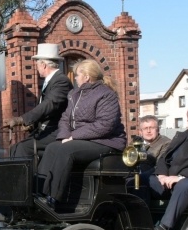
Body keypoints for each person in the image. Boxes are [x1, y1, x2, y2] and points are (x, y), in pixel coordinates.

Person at [37, 59, 127, 206]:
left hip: (106, 141)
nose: (76, 78)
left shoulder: (106, 94)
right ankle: (39, 191)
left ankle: (54, 198)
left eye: (77, 75)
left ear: (86, 77)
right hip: (81, 139)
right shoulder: (74, 94)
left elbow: (105, 125)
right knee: (53, 147)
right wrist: (65, 136)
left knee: (66, 150)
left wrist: (74, 136)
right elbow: (65, 118)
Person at [6, 43, 71, 158]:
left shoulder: (61, 81)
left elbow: (49, 105)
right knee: (15, 148)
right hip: (45, 129)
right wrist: (32, 124)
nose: (36, 67)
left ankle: (30, 176)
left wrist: (22, 119)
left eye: (37, 64)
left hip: (58, 130)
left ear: (44, 65)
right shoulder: (51, 81)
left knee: (21, 149)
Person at [130, 115, 171, 202]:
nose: (148, 131)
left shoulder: (166, 143)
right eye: (145, 128)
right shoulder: (135, 143)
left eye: (151, 128)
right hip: (134, 175)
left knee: (140, 182)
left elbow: (161, 165)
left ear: (158, 129)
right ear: (140, 131)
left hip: (156, 179)